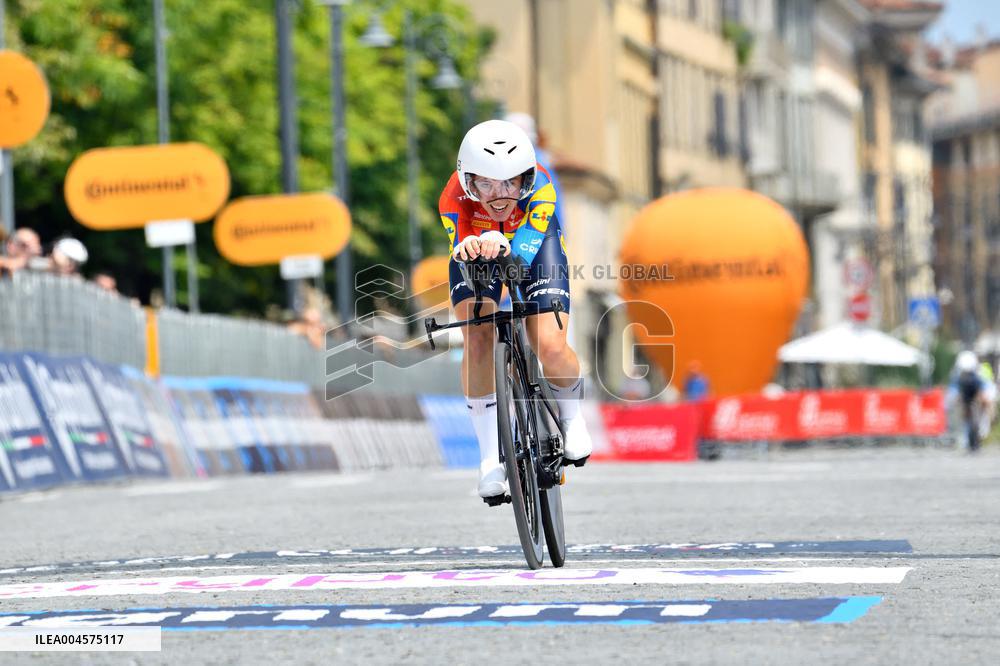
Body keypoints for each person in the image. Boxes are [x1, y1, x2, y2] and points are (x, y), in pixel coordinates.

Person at [439, 119, 591, 500]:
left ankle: (571, 417)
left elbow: (521, 258)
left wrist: (508, 248)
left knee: (550, 344)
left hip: (534, 247)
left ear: (525, 177)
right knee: (477, 338)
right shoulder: (452, 197)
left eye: (510, 183)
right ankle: (490, 459)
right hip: (477, 250)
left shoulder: (542, 188)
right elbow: (461, 241)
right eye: (486, 184)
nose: (499, 195)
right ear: (468, 181)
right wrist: (469, 245)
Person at [953, 351, 989, 451]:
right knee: (971, 423)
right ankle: (972, 443)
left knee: (972, 423)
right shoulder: (970, 378)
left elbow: (979, 391)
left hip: (972, 402)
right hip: (969, 402)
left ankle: (973, 443)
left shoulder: (964, 378)